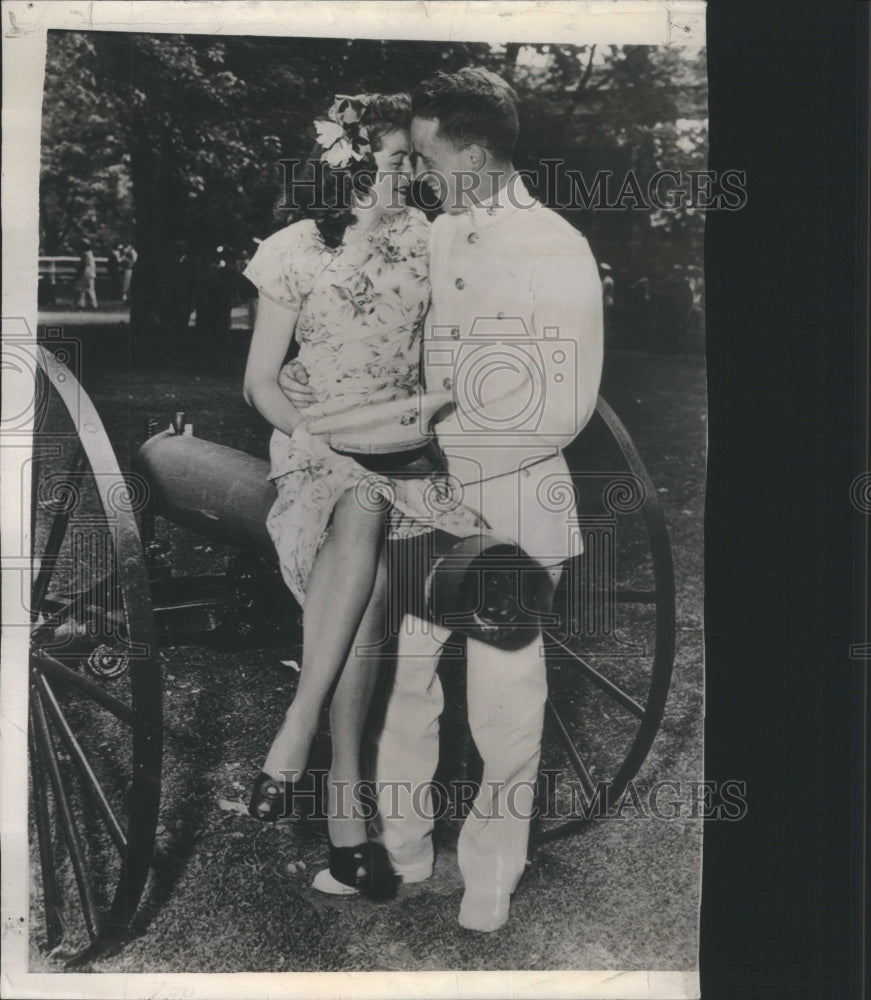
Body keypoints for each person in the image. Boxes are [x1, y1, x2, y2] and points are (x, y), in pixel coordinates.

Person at [280, 68, 604, 931]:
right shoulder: (437, 231)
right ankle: (401, 847)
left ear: (470, 150)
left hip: (510, 509)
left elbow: (566, 406)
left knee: (502, 703)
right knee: (401, 683)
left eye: (425, 156)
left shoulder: (556, 244)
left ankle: (492, 871)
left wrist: (446, 464)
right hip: (416, 495)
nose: (417, 174)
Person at [242, 93, 481, 897]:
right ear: (344, 168)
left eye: (412, 162)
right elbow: (260, 382)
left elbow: (445, 363)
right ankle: (340, 794)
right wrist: (312, 437)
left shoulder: (428, 243)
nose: (408, 176)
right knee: (360, 518)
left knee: (368, 518)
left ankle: (298, 730)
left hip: (400, 443)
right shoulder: (291, 252)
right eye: (390, 163)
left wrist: (426, 410)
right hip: (313, 440)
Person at [74, 240, 98, 309]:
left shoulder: (85, 254)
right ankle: (83, 303)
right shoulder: (90, 254)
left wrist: (78, 268)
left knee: (85, 288)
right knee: (86, 288)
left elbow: (83, 265)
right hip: (90, 273)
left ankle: (90, 304)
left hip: (86, 273)